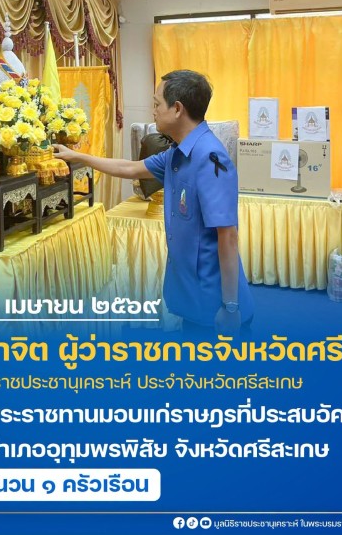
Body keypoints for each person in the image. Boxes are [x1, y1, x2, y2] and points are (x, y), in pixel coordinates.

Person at [54, 69, 254, 336]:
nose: (154, 111)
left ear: (177, 109)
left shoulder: (210, 158)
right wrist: (77, 156)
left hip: (215, 301)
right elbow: (129, 168)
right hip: (193, 295)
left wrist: (230, 307)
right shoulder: (178, 152)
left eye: (157, 104)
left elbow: (227, 236)